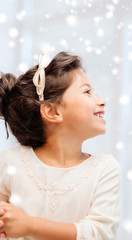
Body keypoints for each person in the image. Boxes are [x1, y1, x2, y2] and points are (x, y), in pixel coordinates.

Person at [0, 52, 121, 239]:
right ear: (52, 111)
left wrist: (29, 226)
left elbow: (99, 233)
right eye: (87, 92)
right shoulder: (9, 162)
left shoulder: (105, 169)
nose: (102, 101)